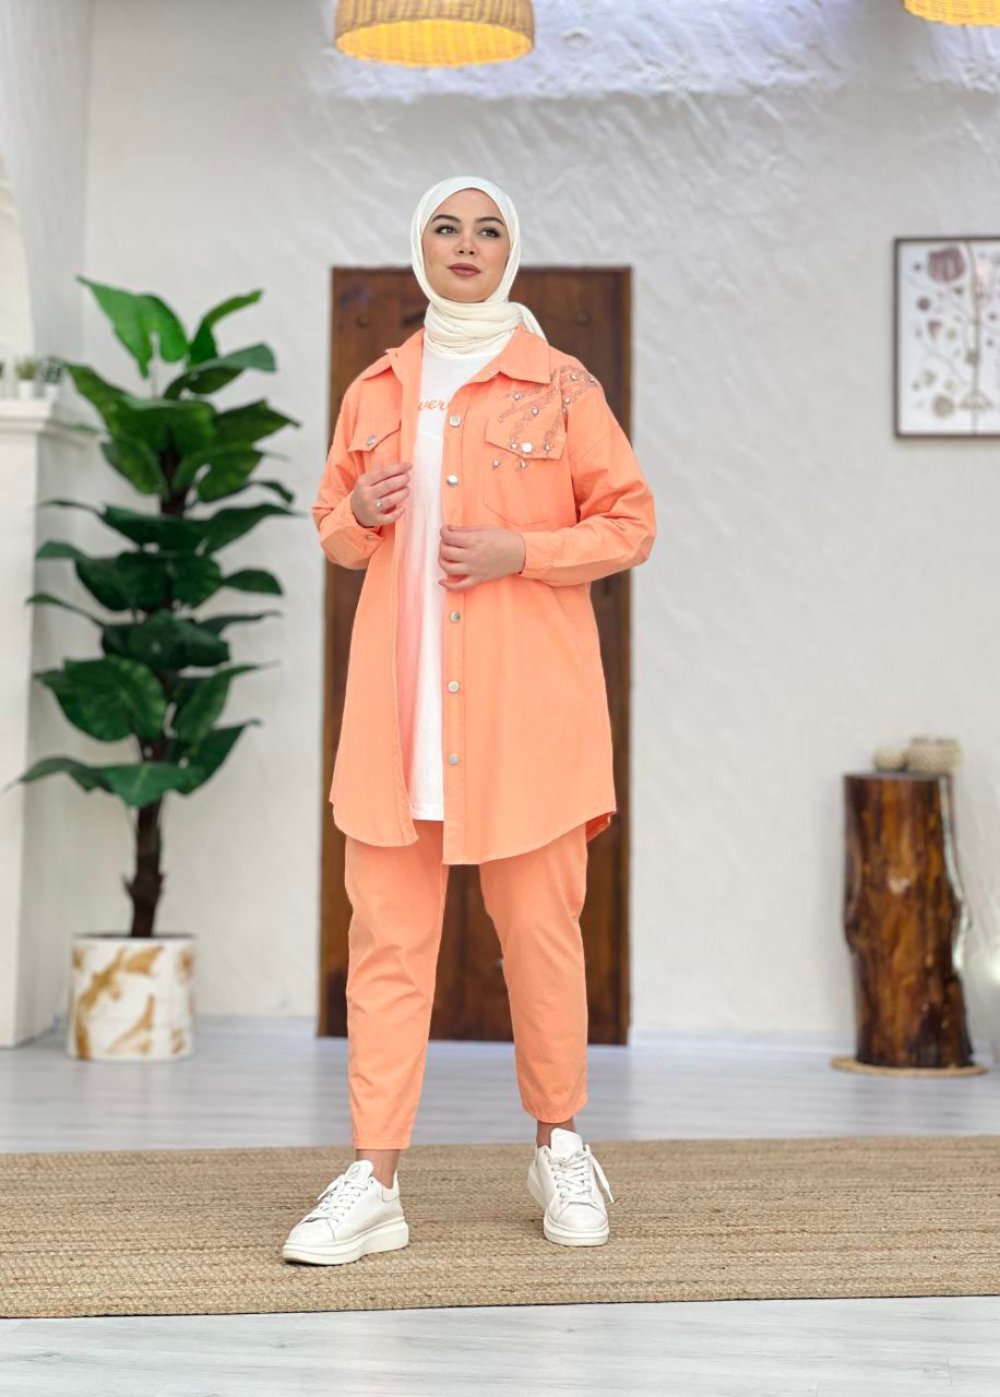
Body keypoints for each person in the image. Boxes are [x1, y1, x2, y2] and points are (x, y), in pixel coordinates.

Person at [282, 175, 656, 1267]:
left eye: (487, 229)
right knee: (386, 950)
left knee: (541, 940)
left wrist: (520, 552)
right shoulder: (376, 388)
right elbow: (332, 524)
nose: (465, 243)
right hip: (397, 721)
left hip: (527, 721)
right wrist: (357, 510)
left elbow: (630, 521)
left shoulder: (563, 385)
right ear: (421, 247)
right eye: (446, 226)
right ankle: (374, 1180)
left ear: (510, 251)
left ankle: (560, 1145)